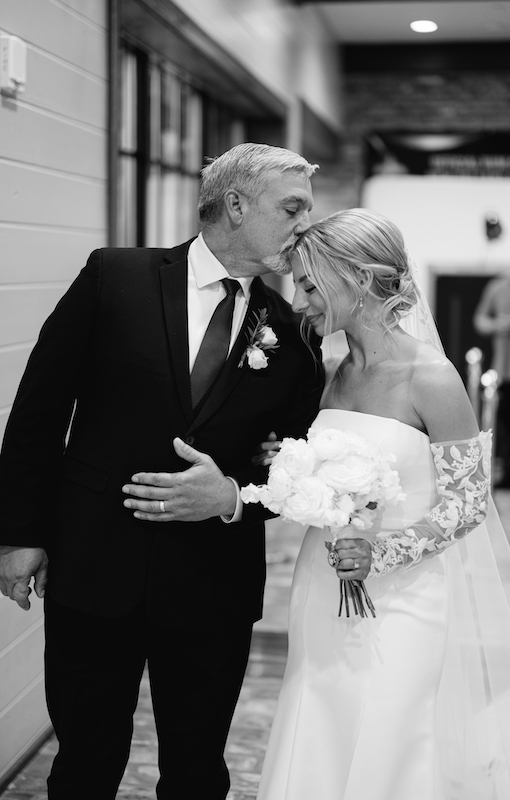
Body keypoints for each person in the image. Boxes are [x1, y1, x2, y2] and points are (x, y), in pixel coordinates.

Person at [0, 143, 324, 800]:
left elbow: (298, 467)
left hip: (212, 583)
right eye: (292, 207)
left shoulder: (292, 334)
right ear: (236, 203)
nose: (304, 226)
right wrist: (18, 533)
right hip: (95, 565)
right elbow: (39, 408)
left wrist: (233, 497)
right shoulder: (114, 275)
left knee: (196, 771)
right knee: (85, 763)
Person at [255, 208, 510, 800]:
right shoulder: (334, 369)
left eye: (309, 285)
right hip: (322, 582)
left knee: (390, 733)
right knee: (320, 721)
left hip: (404, 597)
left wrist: (380, 553)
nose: (300, 302)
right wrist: (291, 465)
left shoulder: (430, 377)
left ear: (354, 280)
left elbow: (468, 504)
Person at [473, 239, 510, 488]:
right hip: (508, 368)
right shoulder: (499, 286)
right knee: (508, 423)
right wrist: (505, 324)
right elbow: (480, 321)